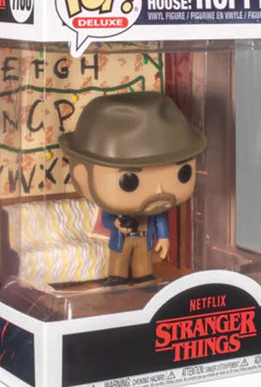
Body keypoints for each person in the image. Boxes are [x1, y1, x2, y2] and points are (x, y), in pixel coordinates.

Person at [59, 91, 206, 285]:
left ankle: (143, 278)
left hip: (145, 239)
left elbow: (160, 220)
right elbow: (107, 218)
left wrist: (164, 238)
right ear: (81, 175)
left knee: (143, 265)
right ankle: (116, 278)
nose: (158, 190)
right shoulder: (114, 208)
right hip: (123, 238)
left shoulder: (156, 209)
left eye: (183, 173)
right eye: (129, 181)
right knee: (119, 262)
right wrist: (118, 224)